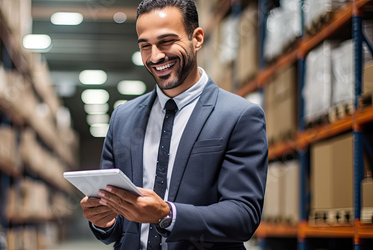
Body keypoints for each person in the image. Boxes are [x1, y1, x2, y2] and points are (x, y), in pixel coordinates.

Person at [80, 0, 268, 249]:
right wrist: (102, 220)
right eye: (145, 46)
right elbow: (116, 227)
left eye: (166, 41)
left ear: (197, 38)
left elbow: (243, 216)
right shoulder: (122, 118)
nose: (155, 56)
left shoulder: (240, 116)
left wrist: (167, 214)